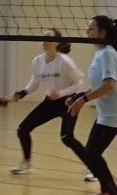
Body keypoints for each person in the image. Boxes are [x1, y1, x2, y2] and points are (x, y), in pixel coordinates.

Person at [10, 28, 90, 179]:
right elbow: (35, 81)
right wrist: (24, 92)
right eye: (43, 36)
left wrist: (61, 93)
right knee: (23, 129)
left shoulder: (64, 61)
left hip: (68, 102)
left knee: (67, 137)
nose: (44, 39)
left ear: (57, 43)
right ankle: (27, 162)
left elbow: (79, 83)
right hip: (50, 103)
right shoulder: (37, 61)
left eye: (48, 37)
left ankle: (92, 166)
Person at [67, 16, 117, 195]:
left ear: (102, 32)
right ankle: (106, 191)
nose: (87, 32)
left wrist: (84, 100)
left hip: (113, 115)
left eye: (91, 29)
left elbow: (109, 84)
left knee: (92, 154)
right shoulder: (100, 52)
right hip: (105, 113)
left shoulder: (108, 53)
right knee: (90, 154)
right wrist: (78, 96)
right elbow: (98, 84)